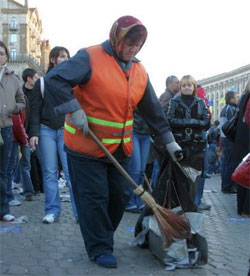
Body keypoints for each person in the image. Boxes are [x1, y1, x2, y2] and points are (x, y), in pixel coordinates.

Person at [43, 16, 182, 268]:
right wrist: (73, 108)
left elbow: (152, 109)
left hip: (120, 148)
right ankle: (99, 247)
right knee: (94, 198)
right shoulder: (89, 57)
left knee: (119, 196)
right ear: (116, 38)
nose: (133, 49)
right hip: (86, 147)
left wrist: (168, 140)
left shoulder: (139, 70)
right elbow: (54, 80)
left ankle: (100, 235)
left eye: (138, 45)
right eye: (129, 43)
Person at [29, 47, 78, 223]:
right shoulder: (41, 83)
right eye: (62, 56)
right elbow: (34, 110)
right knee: (50, 172)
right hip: (46, 130)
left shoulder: (71, 83)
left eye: (67, 56)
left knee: (72, 171)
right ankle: (52, 211)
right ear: (53, 59)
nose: (66, 59)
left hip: (67, 130)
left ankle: (79, 213)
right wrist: (34, 133)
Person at [167, 75, 210, 202]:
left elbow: (207, 122)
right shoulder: (174, 102)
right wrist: (192, 122)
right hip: (180, 141)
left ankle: (195, 202)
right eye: (184, 85)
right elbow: (170, 120)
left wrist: (188, 122)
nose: (186, 88)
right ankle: (179, 201)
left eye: (189, 85)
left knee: (197, 173)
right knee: (179, 172)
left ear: (194, 87)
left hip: (196, 141)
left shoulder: (200, 102)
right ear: (180, 87)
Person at [0, 41, 25, 222]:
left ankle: (3, 209)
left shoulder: (13, 78)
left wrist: (11, 108)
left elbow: (22, 102)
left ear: (7, 57)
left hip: (5, 128)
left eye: (1, 53)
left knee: (3, 171)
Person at [125, 108, 151, 213]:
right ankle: (129, 202)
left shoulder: (150, 97)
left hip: (146, 135)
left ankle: (139, 199)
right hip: (134, 132)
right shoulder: (134, 93)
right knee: (135, 170)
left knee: (141, 171)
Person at [22, 68, 43, 195]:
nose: (37, 80)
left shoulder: (39, 91)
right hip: (25, 130)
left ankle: (41, 187)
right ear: (29, 79)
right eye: (35, 77)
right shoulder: (21, 92)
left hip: (38, 129)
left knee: (40, 158)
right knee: (29, 161)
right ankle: (34, 188)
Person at [232, 79, 250, 216]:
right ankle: (247, 209)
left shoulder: (243, 98)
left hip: (240, 140)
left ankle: (241, 208)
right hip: (247, 139)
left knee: (242, 172)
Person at [220, 91, 238, 194]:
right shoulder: (230, 109)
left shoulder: (225, 108)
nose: (237, 99)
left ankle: (225, 186)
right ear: (231, 98)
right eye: (236, 97)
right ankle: (227, 186)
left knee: (226, 163)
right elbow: (233, 124)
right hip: (229, 138)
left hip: (224, 138)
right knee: (229, 163)